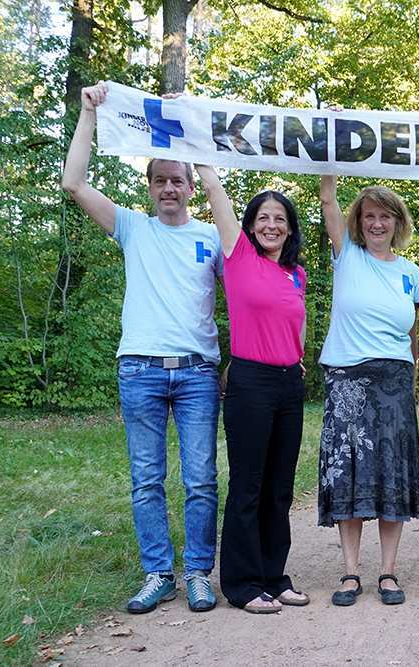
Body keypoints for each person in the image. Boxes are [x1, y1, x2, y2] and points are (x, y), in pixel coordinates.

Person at [61, 82, 221, 614]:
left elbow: (247, 287)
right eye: (160, 181)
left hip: (198, 372)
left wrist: (192, 123)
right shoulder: (132, 227)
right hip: (140, 371)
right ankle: (159, 573)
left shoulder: (212, 238)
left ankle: (198, 572)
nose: (169, 188)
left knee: (200, 479)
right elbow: (73, 183)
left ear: (190, 186)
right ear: (150, 187)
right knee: (146, 479)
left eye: (178, 179)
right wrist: (88, 114)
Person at [196, 167, 310, 614]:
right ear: (249, 225)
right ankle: (242, 585)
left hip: (289, 384)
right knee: (248, 484)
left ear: (290, 227)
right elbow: (213, 192)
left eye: (280, 218)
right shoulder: (237, 255)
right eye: (263, 217)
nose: (271, 225)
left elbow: (289, 326)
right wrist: (203, 155)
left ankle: (273, 576)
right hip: (250, 383)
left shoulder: (296, 273)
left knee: (280, 487)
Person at [316, 175, 419, 606]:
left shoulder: (411, 272)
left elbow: (413, 334)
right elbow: (327, 196)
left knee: (390, 476)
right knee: (349, 474)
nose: (377, 223)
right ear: (358, 222)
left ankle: (388, 572)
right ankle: (349, 573)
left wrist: (416, 384)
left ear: (398, 222)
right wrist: (332, 145)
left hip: (394, 382)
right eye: (370, 216)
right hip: (347, 379)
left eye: (386, 216)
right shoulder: (347, 255)